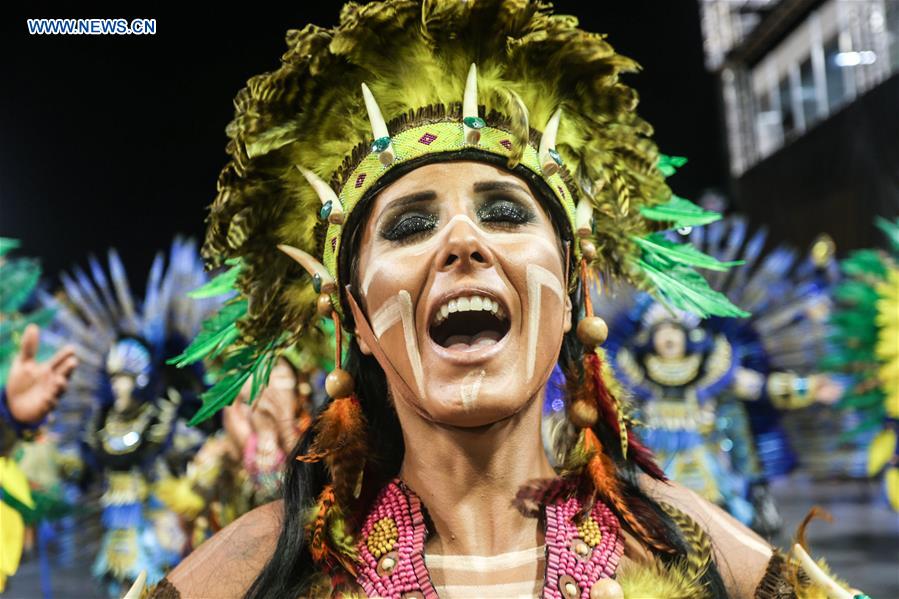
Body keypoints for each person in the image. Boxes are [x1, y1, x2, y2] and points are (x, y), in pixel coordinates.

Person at [146, 2, 865, 597]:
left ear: (568, 288)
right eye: (410, 224)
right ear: (354, 317)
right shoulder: (260, 568)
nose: (463, 241)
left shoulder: (685, 548)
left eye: (505, 213)